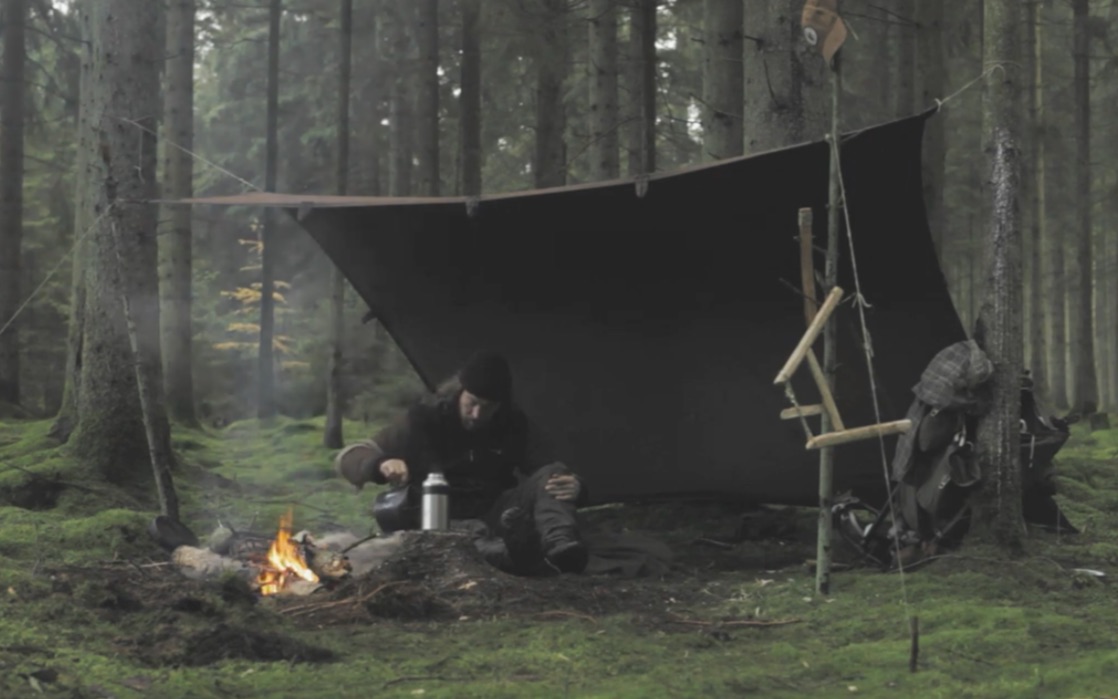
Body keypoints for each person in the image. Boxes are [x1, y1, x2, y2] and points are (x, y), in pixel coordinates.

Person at [335, 350, 591, 574]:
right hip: (439, 516)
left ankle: (561, 546)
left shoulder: (512, 423)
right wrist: (380, 464)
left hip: (494, 508)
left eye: (488, 407)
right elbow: (350, 456)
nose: (477, 414)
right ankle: (513, 555)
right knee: (470, 545)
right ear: (460, 392)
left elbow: (545, 467)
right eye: (472, 403)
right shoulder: (424, 418)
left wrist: (577, 487)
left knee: (554, 474)